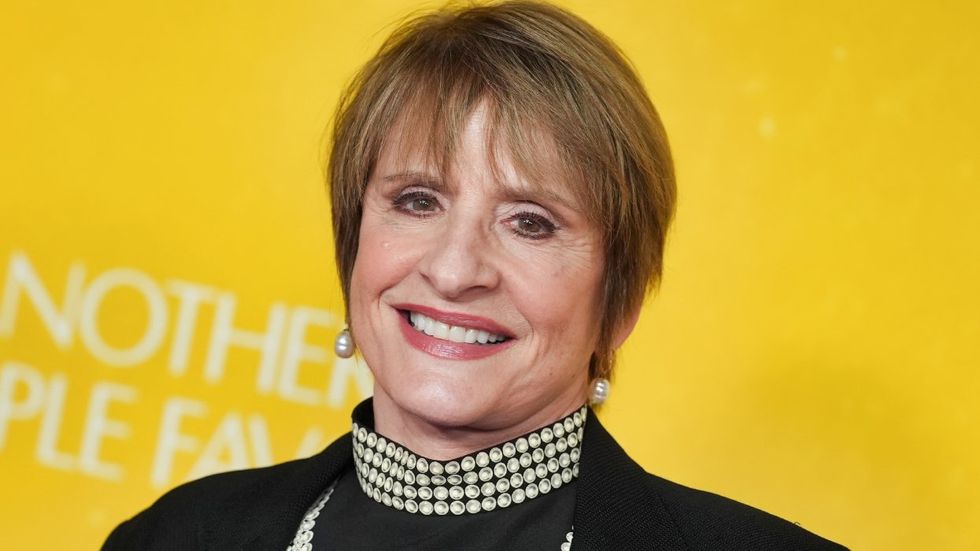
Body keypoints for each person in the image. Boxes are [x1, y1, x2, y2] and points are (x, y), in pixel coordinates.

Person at [103, 2, 846, 549]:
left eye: (531, 222)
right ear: (353, 244)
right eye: (417, 201)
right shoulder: (172, 537)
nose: (455, 270)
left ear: (619, 304)